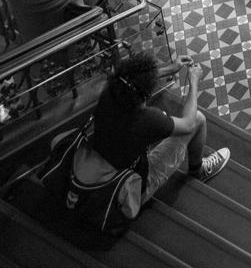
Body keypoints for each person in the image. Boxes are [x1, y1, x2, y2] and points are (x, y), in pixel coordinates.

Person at [90, 50, 230, 199]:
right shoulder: (146, 118)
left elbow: (129, 78)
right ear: (143, 96)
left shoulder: (108, 93)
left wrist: (171, 68)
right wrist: (193, 83)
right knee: (198, 119)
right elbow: (188, 124)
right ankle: (198, 171)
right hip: (128, 192)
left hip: (101, 171)